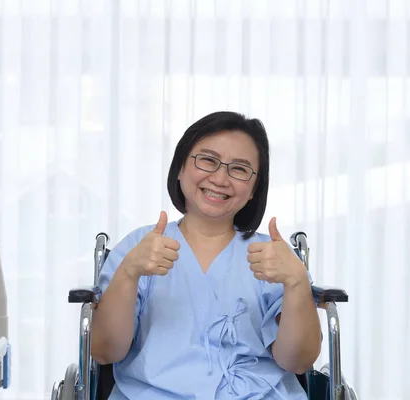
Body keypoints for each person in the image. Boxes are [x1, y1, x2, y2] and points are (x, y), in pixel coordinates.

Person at [91, 111, 321, 399]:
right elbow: (103, 351)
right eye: (208, 160)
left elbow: (297, 361)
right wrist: (128, 273)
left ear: (253, 189)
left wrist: (298, 282)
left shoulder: (273, 259)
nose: (220, 178)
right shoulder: (139, 248)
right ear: (180, 168)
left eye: (239, 169)